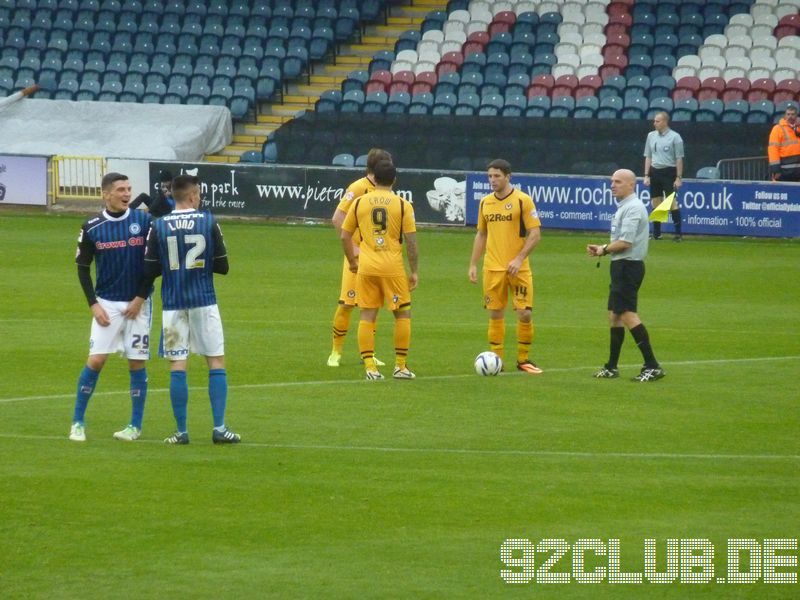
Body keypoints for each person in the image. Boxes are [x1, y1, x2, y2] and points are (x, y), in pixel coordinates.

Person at [138, 174, 240, 444]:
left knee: (177, 365)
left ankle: (181, 432)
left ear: (173, 196)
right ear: (194, 196)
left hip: (172, 306)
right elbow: (223, 266)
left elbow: (149, 269)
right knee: (215, 361)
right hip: (204, 301)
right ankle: (219, 428)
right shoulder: (208, 221)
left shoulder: (158, 226)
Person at [69, 172, 152, 442]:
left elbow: (154, 265)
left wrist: (140, 298)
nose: (127, 193)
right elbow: (82, 269)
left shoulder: (144, 221)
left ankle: (134, 426)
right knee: (96, 360)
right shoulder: (91, 227)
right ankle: (78, 423)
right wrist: (94, 305)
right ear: (106, 194)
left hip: (138, 304)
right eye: (120, 190)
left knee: (136, 362)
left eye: (129, 189)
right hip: (106, 303)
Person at [340, 159, 419, 380]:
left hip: (366, 265)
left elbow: (345, 235)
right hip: (392, 267)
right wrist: (414, 271)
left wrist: (352, 261)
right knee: (402, 313)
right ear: (394, 179)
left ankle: (370, 369)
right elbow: (411, 242)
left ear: (374, 178)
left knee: (367, 315)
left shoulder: (359, 203)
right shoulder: (403, 204)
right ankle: (400, 366)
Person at [587, 169, 665, 382]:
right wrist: (604, 248)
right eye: (612, 181)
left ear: (631, 185)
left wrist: (604, 249)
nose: (613, 185)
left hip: (628, 266)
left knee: (628, 314)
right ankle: (612, 367)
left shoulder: (633, 208)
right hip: (621, 265)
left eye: (618, 182)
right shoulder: (624, 206)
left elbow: (625, 243)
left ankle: (652, 365)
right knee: (614, 315)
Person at [468, 159, 543, 374]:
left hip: (518, 269)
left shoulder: (523, 201)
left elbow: (535, 234)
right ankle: (496, 361)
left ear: (508, 176)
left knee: (524, 314)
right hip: (492, 269)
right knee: (495, 315)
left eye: (497, 176)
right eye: (490, 176)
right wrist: (473, 263)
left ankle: (523, 359)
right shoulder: (485, 202)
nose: (492, 180)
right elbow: (481, 234)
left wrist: (519, 259)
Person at [327, 148, 392, 368]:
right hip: (356, 258)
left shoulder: (385, 190)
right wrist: (353, 248)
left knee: (371, 306)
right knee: (347, 303)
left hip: (376, 257)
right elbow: (337, 218)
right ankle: (335, 351)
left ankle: (368, 353)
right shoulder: (357, 188)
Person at [643, 112, 684, 241]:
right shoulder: (651, 136)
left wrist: (678, 177)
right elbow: (648, 156)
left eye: (657, 121)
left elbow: (679, 159)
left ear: (665, 122)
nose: (654, 123)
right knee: (656, 202)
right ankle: (656, 233)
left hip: (669, 171)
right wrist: (646, 175)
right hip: (655, 172)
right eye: (654, 121)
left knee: (671, 202)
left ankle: (678, 234)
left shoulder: (675, 137)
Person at [768, 103, 800, 182]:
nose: (790, 116)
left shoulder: (798, 128)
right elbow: (773, 149)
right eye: (788, 114)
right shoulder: (777, 129)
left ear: (796, 116)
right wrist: (775, 169)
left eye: (792, 114)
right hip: (784, 170)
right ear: (785, 116)